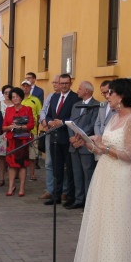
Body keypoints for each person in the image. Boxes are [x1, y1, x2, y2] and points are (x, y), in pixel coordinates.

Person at [68, 78, 131, 262]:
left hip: (123, 175)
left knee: (119, 221)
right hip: (106, 172)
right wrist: (90, 140)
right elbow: (106, 140)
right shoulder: (114, 117)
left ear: (122, 96)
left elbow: (129, 154)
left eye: (111, 93)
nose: (107, 96)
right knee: (104, 219)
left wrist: (104, 150)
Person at [43, 74, 75, 206]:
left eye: (66, 83)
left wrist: (62, 122)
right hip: (54, 137)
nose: (63, 86)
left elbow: (75, 117)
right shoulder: (55, 97)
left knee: (70, 169)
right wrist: (50, 122)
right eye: (61, 83)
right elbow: (49, 114)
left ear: (70, 83)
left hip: (68, 137)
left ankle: (69, 196)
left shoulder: (75, 98)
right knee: (57, 169)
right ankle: (55, 195)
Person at [68, 81, 101, 209]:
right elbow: (71, 122)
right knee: (76, 173)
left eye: (80, 88)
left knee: (88, 172)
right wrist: (72, 137)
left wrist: (80, 137)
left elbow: (92, 124)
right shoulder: (76, 105)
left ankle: (88, 201)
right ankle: (78, 199)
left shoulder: (96, 105)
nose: (77, 90)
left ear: (87, 91)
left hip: (86, 144)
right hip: (74, 144)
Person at [3, 88, 35, 197]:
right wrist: (10, 127)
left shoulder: (28, 109)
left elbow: (31, 125)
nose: (15, 99)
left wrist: (21, 127)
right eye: (13, 97)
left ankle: (21, 187)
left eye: (17, 96)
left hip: (23, 140)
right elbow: (3, 127)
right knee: (11, 165)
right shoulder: (8, 110)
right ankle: (11, 186)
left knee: (22, 165)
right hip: (12, 140)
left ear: (21, 97)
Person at [39, 75, 61, 200]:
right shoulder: (51, 96)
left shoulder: (70, 97)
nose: (54, 85)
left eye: (56, 82)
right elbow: (43, 111)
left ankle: (61, 189)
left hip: (61, 132)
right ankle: (49, 189)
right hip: (49, 130)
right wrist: (44, 123)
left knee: (61, 163)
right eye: (53, 82)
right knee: (48, 162)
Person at [20, 80, 42, 181]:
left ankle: (32, 173)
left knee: (32, 154)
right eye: (23, 86)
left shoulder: (35, 100)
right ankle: (19, 172)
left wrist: (36, 128)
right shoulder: (18, 99)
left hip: (32, 131)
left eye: (27, 86)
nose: (25, 88)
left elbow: (39, 115)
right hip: (19, 131)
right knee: (20, 153)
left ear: (30, 87)